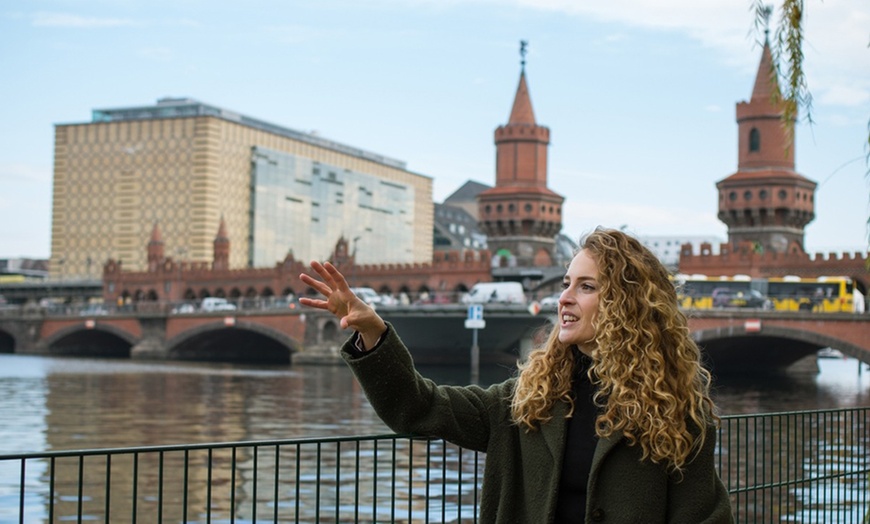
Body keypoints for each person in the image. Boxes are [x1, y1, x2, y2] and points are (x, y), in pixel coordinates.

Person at [299, 227, 734, 523]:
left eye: (586, 286)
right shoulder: (527, 399)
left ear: (628, 304)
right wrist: (374, 333)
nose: (564, 297)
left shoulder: (675, 409)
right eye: (566, 282)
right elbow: (420, 407)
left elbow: (704, 517)